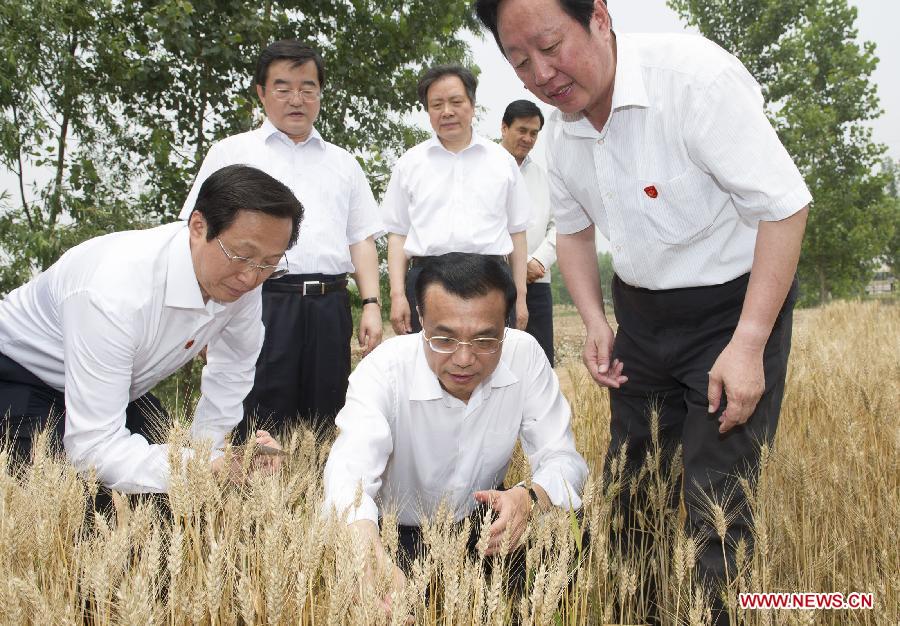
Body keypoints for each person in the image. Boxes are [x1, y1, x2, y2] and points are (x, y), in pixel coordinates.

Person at [475, 0, 811, 620]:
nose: (542, 74)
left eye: (551, 46)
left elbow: (784, 207)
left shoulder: (694, 81)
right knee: (633, 488)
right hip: (642, 316)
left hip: (731, 312)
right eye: (520, 62)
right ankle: (643, 609)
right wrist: (598, 321)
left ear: (598, 17)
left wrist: (749, 343)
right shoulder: (563, 129)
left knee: (716, 494)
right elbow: (574, 232)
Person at [0, 164, 302, 492]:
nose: (251, 278)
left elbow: (232, 369)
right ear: (198, 226)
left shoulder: (244, 275)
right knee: (69, 504)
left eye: (270, 263)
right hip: (20, 376)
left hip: (117, 387)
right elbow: (93, 448)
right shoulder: (115, 290)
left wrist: (212, 457)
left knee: (176, 502)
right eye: (242, 256)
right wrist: (202, 467)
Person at [323, 253, 587, 598]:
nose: (463, 359)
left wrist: (530, 499)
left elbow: (564, 459)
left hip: (489, 524)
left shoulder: (525, 356)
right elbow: (349, 470)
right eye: (444, 339)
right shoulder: (383, 371)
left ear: (506, 325)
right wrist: (365, 549)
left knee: (570, 528)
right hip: (396, 532)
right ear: (421, 319)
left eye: (484, 340)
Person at [178, 40, 384, 433]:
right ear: (261, 92)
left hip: (329, 307)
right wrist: (201, 313)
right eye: (283, 87)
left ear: (320, 93)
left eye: (308, 88)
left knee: (325, 419)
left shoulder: (343, 162)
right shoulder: (231, 153)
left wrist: (371, 303)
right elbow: (195, 235)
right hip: (256, 300)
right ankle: (245, 492)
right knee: (252, 415)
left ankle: (312, 493)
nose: (297, 99)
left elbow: (360, 238)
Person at [382, 65, 531, 335]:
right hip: (427, 281)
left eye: (456, 102)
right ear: (428, 111)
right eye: (436, 104)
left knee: (492, 365)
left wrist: (520, 297)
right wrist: (397, 295)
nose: (446, 111)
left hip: (491, 279)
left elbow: (517, 233)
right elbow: (398, 234)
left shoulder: (502, 162)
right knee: (429, 366)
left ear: (472, 105)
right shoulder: (410, 164)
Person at [500, 99, 557, 365]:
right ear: (504, 128)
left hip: (537, 284)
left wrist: (539, 260)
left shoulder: (544, 177)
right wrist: (518, 264)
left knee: (540, 361)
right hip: (492, 281)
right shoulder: (485, 169)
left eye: (534, 133)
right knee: (497, 363)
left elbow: (561, 225)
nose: (528, 138)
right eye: (522, 130)